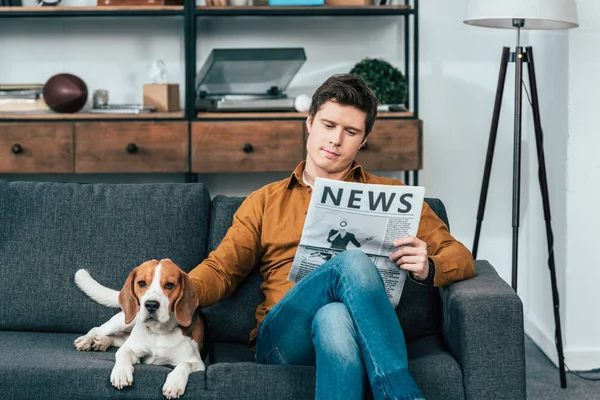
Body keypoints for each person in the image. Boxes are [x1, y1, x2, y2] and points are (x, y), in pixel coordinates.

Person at [188, 74, 475, 400]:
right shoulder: (265, 200)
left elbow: (460, 255)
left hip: (354, 333)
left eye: (350, 131)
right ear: (309, 123)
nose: (336, 139)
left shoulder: (395, 196)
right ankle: (401, 394)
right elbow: (222, 268)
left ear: (363, 139)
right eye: (328, 125)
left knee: (335, 316)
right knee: (351, 260)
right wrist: (176, 293)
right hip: (283, 339)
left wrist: (430, 267)